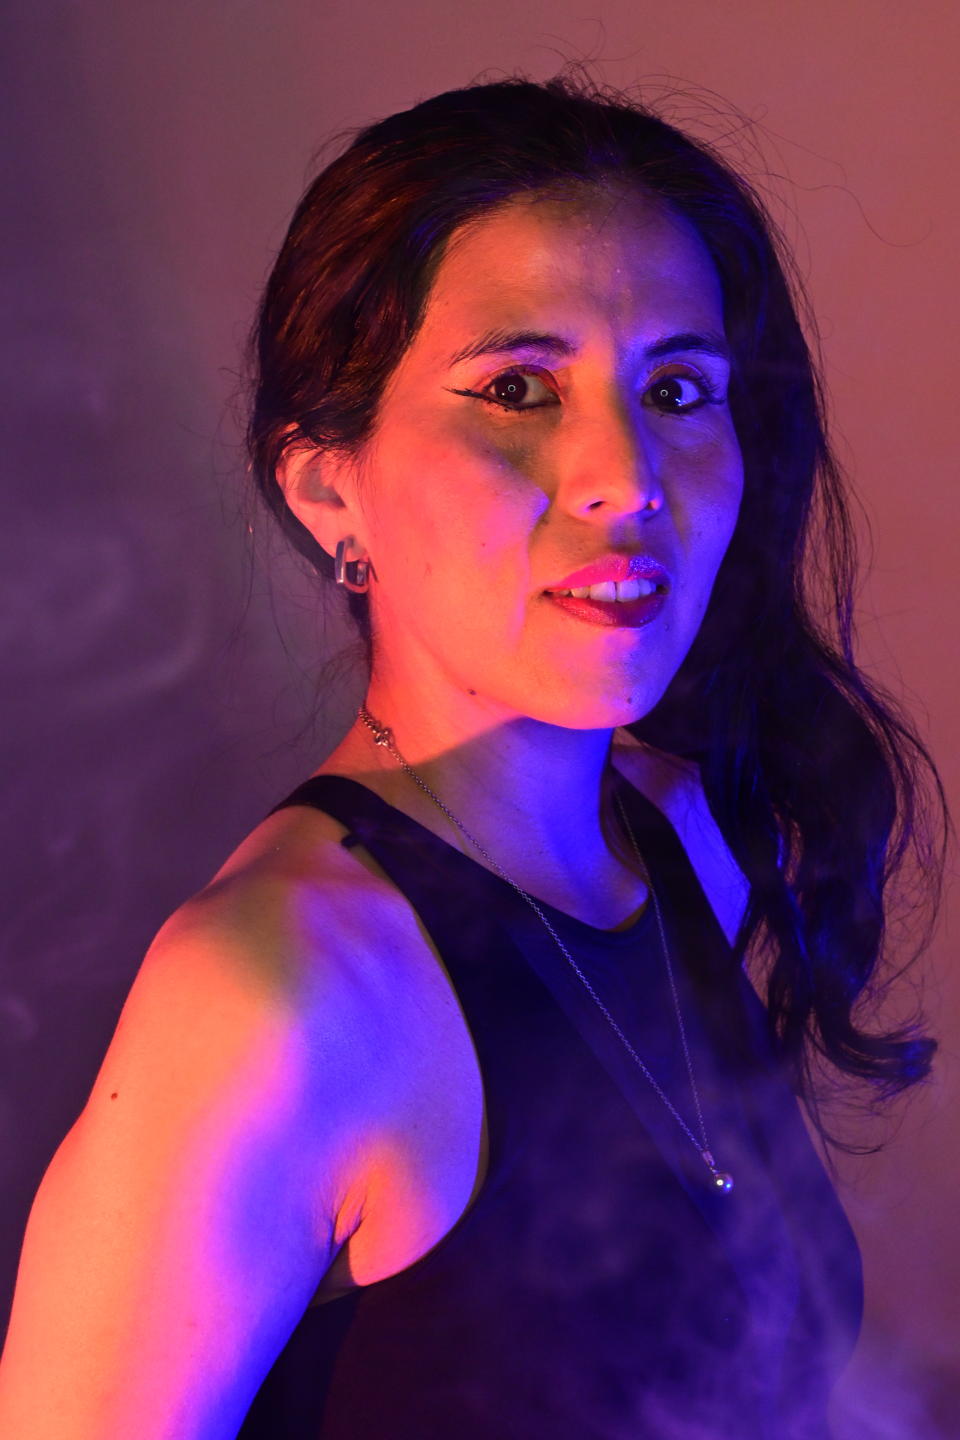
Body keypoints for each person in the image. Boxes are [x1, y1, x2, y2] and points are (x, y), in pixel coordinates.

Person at [0, 67, 950, 1440]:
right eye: (517, 388)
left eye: (677, 387)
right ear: (328, 485)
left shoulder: (679, 837)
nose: (627, 476)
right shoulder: (279, 989)